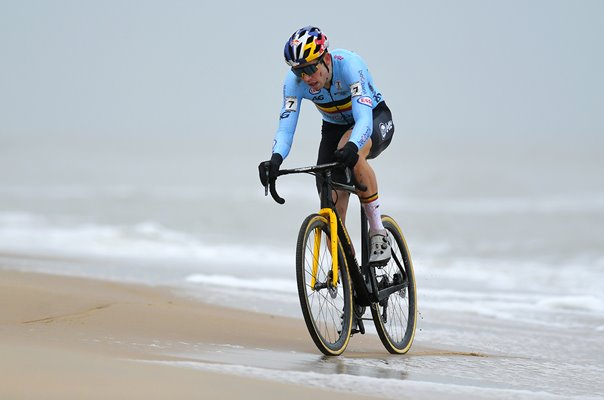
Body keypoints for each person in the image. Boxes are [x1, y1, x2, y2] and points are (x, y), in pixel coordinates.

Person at [258, 26, 395, 266]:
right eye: (299, 71)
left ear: (327, 59)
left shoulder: (350, 65)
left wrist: (353, 146)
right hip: (333, 126)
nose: (306, 77)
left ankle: (377, 232)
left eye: (311, 68)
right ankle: (350, 274)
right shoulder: (294, 83)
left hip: (371, 118)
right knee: (328, 204)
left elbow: (362, 118)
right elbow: (286, 127)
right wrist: (275, 159)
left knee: (350, 151)